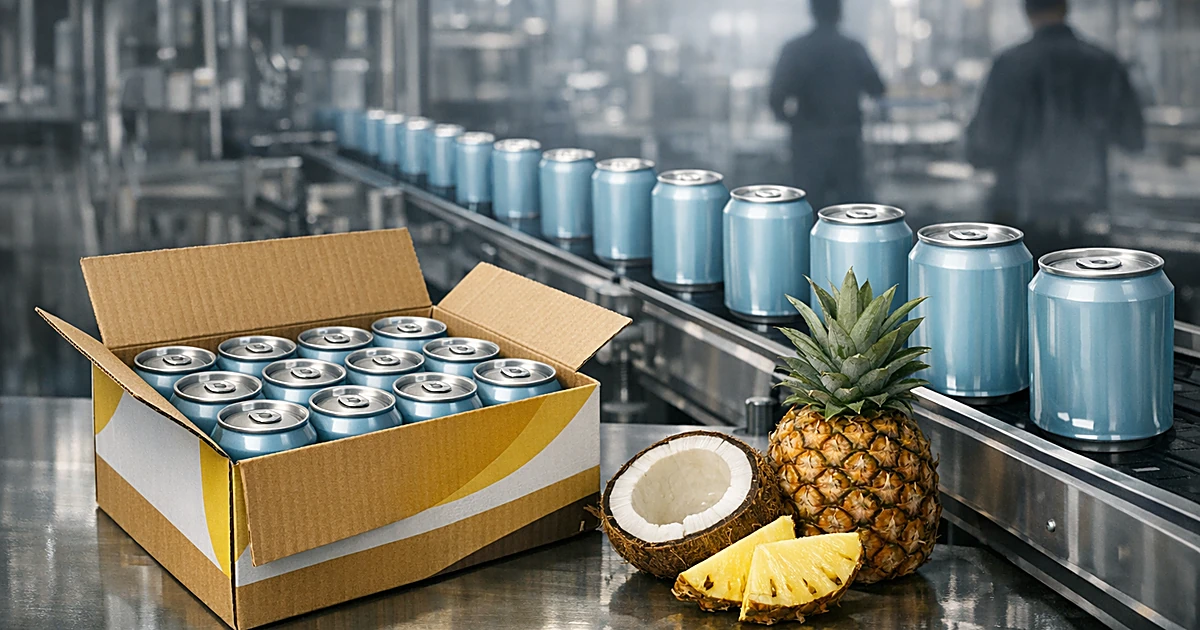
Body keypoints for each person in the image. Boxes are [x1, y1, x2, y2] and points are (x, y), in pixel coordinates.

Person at [966, 0, 1144, 255]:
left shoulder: (1010, 65)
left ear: (1026, 11)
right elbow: (1133, 138)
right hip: (1089, 217)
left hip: (1021, 218)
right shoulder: (1105, 63)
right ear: (1066, 8)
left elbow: (986, 147)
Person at [768, 0, 885, 211]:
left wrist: (795, 124)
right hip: (846, 142)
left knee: (807, 211)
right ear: (839, 13)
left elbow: (776, 98)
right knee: (852, 212)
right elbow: (877, 87)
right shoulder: (852, 48)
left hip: (808, 144)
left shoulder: (795, 49)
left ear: (812, 12)